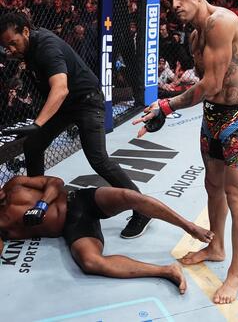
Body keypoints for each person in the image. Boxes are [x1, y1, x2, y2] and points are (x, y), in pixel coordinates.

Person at [132, 0, 238, 304]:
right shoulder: (193, 36)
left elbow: (214, 84)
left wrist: (166, 104)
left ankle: (236, 273)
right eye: (169, 1)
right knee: (212, 186)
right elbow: (206, 88)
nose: (174, 5)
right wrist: (165, 109)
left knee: (236, 197)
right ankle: (216, 246)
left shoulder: (221, 22)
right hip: (212, 117)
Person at [0, 12, 150, 239]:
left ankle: (142, 209)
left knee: (98, 159)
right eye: (5, 46)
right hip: (65, 107)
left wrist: (38, 123)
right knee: (33, 145)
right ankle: (39, 202)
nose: (9, 49)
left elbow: (61, 88)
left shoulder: (46, 47)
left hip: (87, 101)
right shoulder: (25, 50)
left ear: (26, 32)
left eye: (13, 43)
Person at [0, 175, 214, 293]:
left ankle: (189, 226)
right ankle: (167, 271)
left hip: (79, 200)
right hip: (74, 227)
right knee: (91, 262)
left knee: (128, 196)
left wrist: (42, 205)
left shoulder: (15, 184)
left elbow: (55, 182)